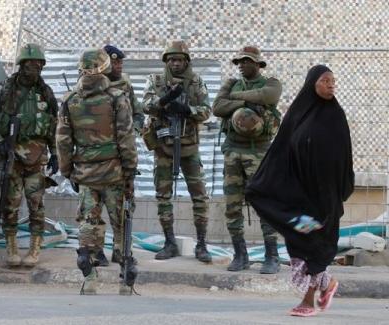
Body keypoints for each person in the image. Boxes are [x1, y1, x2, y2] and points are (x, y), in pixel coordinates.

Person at [246, 65, 355, 316]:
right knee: (301, 239)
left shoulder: (335, 116)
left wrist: (337, 192)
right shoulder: (297, 115)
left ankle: (309, 301)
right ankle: (326, 284)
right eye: (325, 80)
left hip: (324, 197)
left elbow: (344, 159)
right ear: (312, 84)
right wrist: (264, 185)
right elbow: (281, 150)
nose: (331, 85)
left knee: (313, 245)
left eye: (333, 81)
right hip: (298, 198)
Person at [56, 48, 138, 294]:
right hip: (114, 173)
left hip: (85, 175)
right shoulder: (117, 98)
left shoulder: (70, 101)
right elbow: (126, 138)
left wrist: (67, 170)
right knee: (122, 223)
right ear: (105, 68)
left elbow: (63, 141)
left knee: (88, 223)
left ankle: (89, 274)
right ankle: (125, 275)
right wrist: (130, 170)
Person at [0, 43, 58, 268]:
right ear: (21, 65)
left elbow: (54, 125)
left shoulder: (45, 92)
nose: (34, 68)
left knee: (36, 204)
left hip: (37, 156)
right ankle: (12, 247)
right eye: (30, 64)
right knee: (11, 204)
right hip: (12, 155)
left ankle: (35, 249)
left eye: (38, 64)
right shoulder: (5, 90)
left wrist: (56, 153)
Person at [212, 46, 282, 274]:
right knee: (232, 205)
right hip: (233, 150)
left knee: (264, 204)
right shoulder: (231, 84)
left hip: (259, 152)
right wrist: (244, 103)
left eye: (246, 61)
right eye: (239, 61)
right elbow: (218, 107)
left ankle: (272, 256)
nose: (241, 65)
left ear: (258, 64)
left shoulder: (270, 83)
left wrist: (236, 98)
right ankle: (240, 255)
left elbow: (269, 97)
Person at [142, 40, 211, 263]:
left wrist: (188, 109)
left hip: (189, 146)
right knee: (163, 196)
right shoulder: (156, 80)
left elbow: (206, 110)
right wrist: (165, 101)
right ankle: (169, 242)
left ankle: (201, 244)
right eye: (171, 59)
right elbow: (145, 105)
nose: (175, 63)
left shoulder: (195, 81)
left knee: (199, 196)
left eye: (179, 59)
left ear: (186, 61)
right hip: (163, 146)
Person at [103, 44, 145, 134]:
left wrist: (133, 130)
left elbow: (138, 111)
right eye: (115, 63)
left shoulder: (125, 83)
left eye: (121, 62)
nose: (120, 66)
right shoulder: (94, 85)